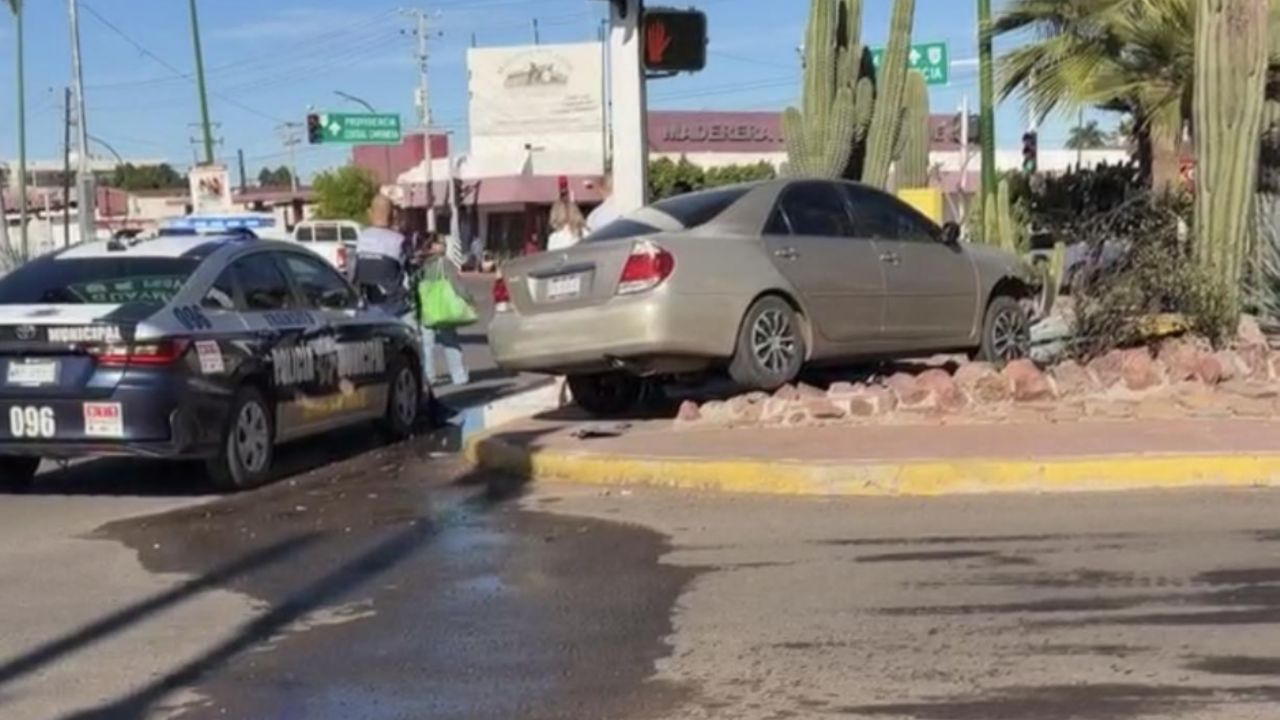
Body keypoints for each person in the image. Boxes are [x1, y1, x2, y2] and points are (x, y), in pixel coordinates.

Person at [415, 235, 471, 387]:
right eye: (441, 243)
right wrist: (467, 298)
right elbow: (456, 283)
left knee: (427, 345)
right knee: (450, 341)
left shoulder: (420, 263)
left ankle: (429, 377)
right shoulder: (444, 262)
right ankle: (458, 375)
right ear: (432, 245)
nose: (445, 246)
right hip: (443, 308)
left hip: (426, 307)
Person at [354, 195, 411, 314]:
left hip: (366, 305)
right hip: (393, 306)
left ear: (370, 213)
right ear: (393, 215)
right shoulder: (399, 240)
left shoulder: (361, 238)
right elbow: (411, 270)